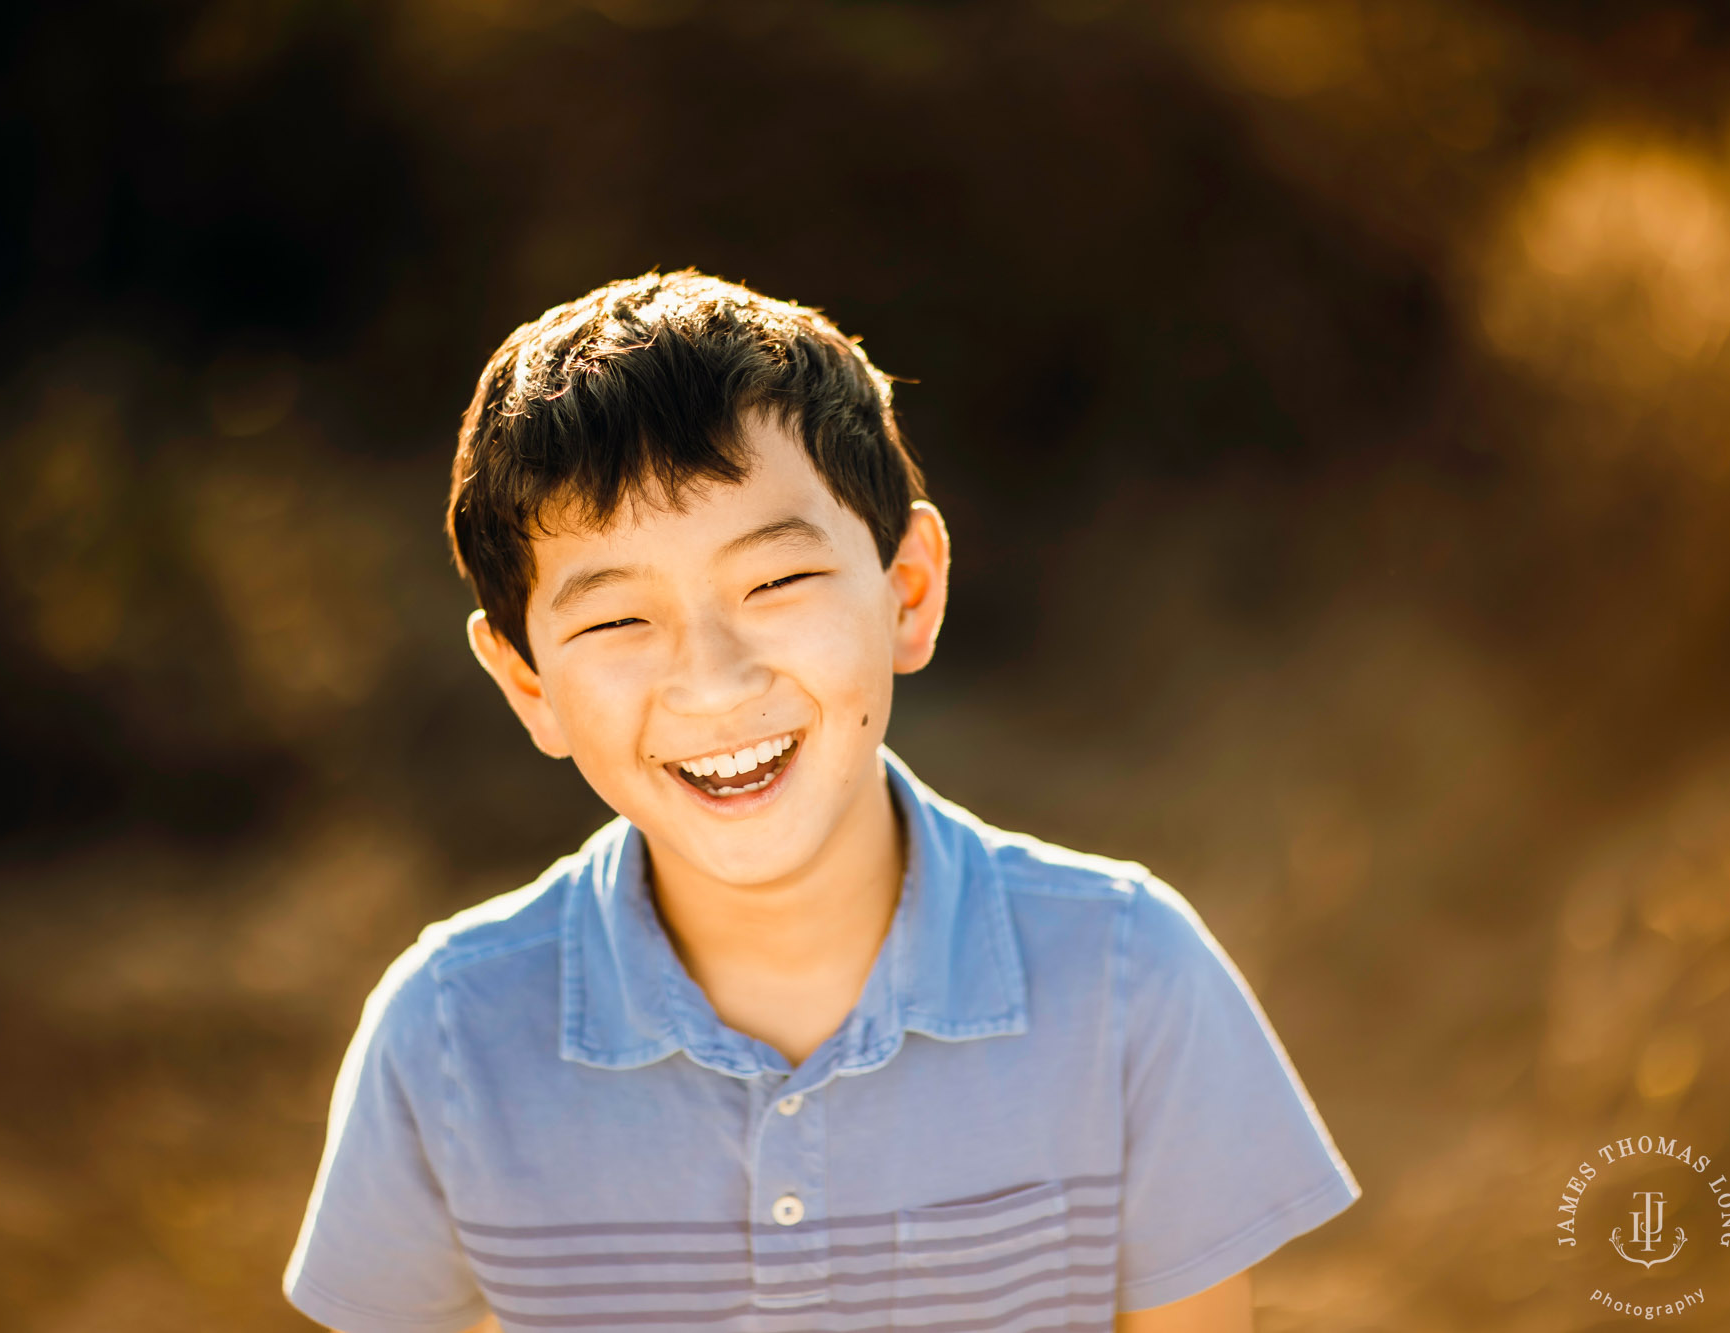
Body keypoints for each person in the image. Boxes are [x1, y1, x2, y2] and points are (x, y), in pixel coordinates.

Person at [282, 269, 1359, 1333]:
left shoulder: (1130, 978)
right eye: (615, 622)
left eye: (775, 582)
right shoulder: (448, 1036)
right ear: (528, 686)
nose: (711, 680)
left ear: (908, 591)